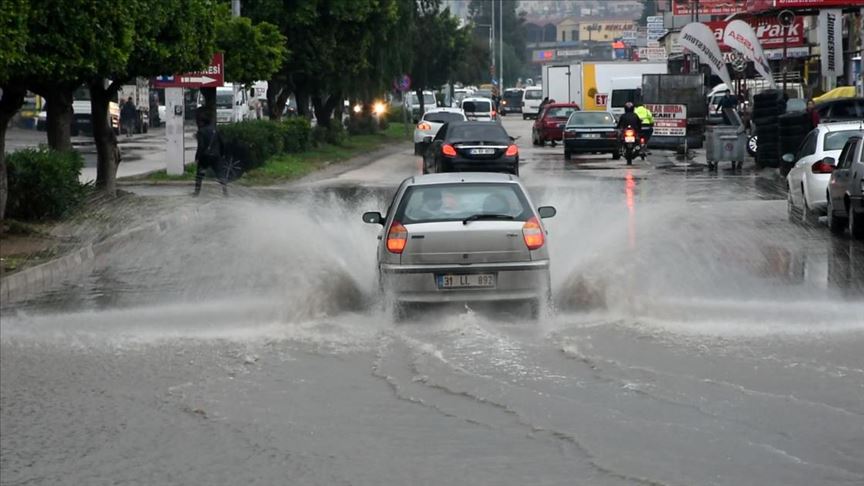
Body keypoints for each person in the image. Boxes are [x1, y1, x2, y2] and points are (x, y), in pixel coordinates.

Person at [193, 110, 228, 197]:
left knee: (200, 174)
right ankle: (225, 191)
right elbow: (222, 143)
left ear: (202, 122)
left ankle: (196, 192)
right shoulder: (216, 130)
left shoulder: (201, 131)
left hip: (205, 157)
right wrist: (222, 154)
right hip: (216, 156)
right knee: (220, 174)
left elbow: (201, 146)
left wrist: (197, 157)